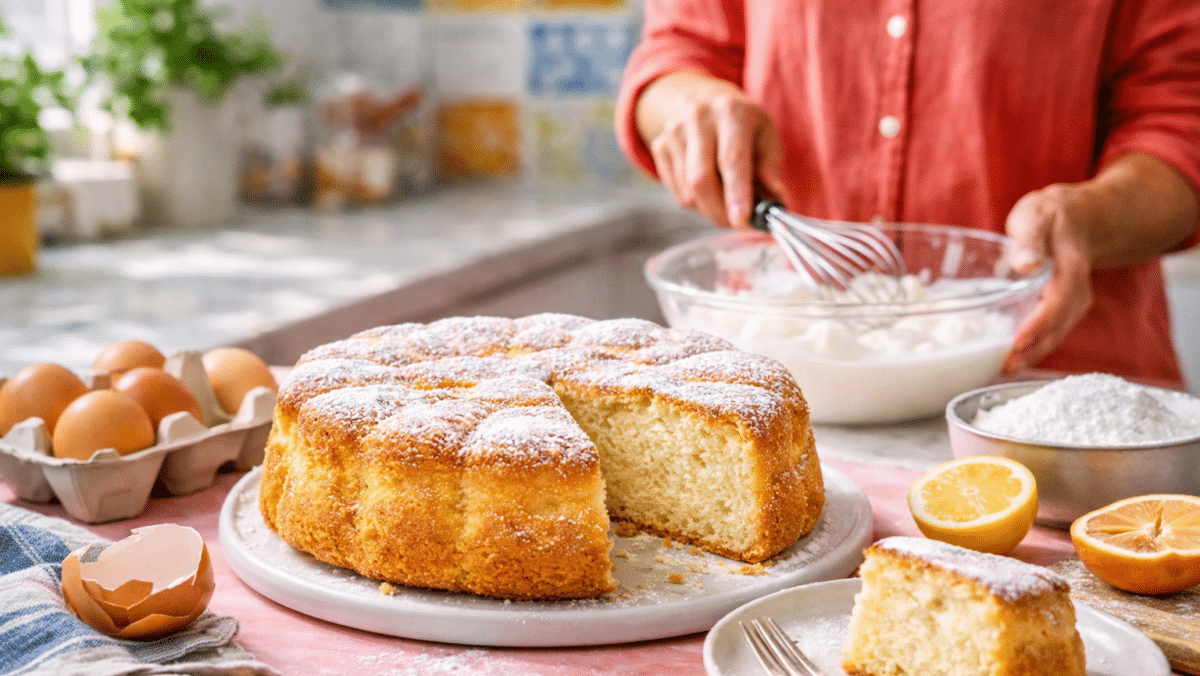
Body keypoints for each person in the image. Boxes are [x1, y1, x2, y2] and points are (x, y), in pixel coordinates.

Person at [614, 0, 1200, 387]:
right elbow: (677, 52)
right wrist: (688, 104)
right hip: (788, 366)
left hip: (1052, 383)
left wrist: (1091, 219)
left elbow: (1180, 119)